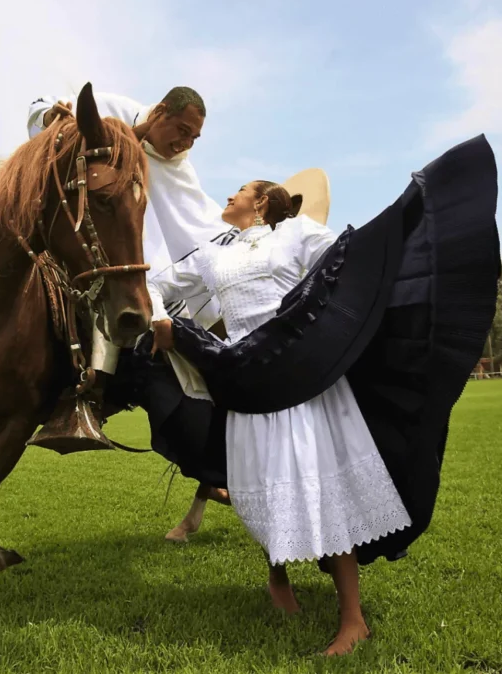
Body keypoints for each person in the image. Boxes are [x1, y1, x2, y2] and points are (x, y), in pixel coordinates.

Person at [146, 180, 412, 655]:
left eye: (239, 190)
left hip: (301, 379)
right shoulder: (213, 254)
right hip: (246, 382)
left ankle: (353, 618)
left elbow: (352, 261)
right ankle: (277, 572)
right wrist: (160, 322)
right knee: (260, 488)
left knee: (322, 485)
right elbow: (156, 282)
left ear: (262, 202)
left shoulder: (298, 234)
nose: (229, 196)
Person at [28, 86, 233, 512]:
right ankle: (81, 396)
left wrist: (242, 239)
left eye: (194, 137)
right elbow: (42, 105)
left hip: (145, 265)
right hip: (94, 236)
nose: (185, 143)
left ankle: (96, 399)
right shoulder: (112, 110)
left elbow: (195, 219)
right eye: (181, 130)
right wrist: (52, 120)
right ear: (159, 111)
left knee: (125, 287)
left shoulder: (179, 168)